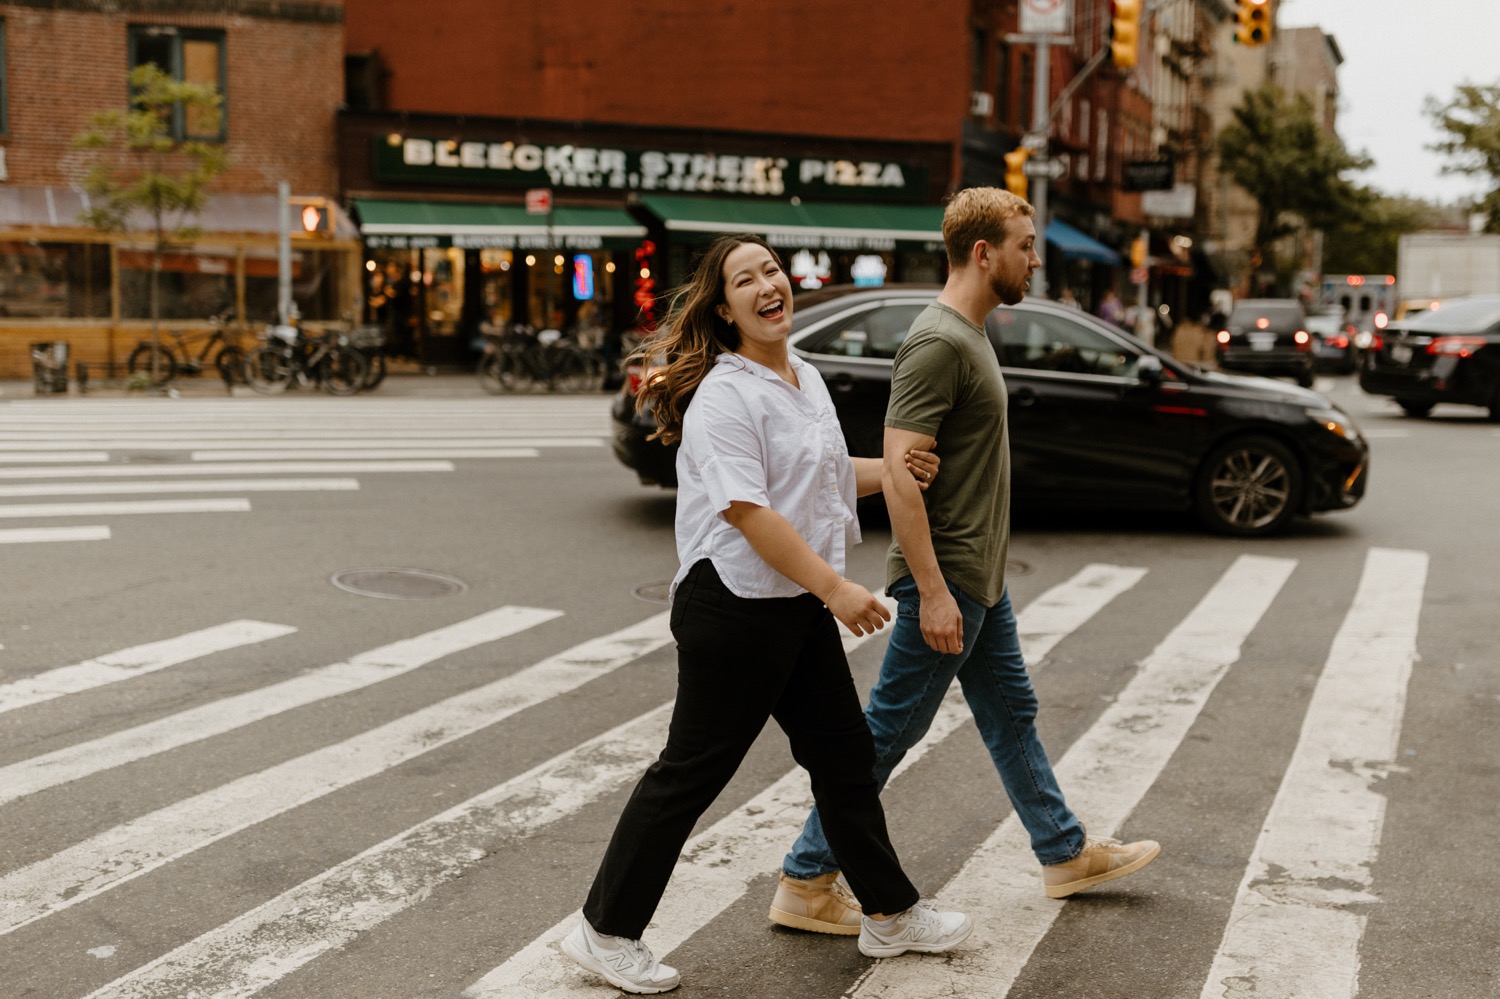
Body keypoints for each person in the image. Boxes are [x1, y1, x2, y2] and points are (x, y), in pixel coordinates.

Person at [562, 234, 972, 995]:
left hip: (790, 605)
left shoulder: (802, 376)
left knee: (844, 758)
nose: (766, 285)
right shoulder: (726, 394)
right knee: (691, 772)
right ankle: (605, 930)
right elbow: (751, 513)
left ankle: (888, 910)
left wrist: (893, 471)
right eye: (744, 279)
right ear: (724, 307)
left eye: (772, 271)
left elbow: (818, 482)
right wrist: (836, 589)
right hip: (737, 607)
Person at [769, 188, 1160, 939]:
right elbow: (900, 476)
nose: (1035, 259)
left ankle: (1063, 851)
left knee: (1012, 714)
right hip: (945, 578)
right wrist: (935, 592)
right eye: (1025, 244)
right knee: (886, 732)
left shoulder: (972, 333)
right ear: (983, 253)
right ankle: (806, 874)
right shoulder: (939, 342)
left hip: (980, 576)